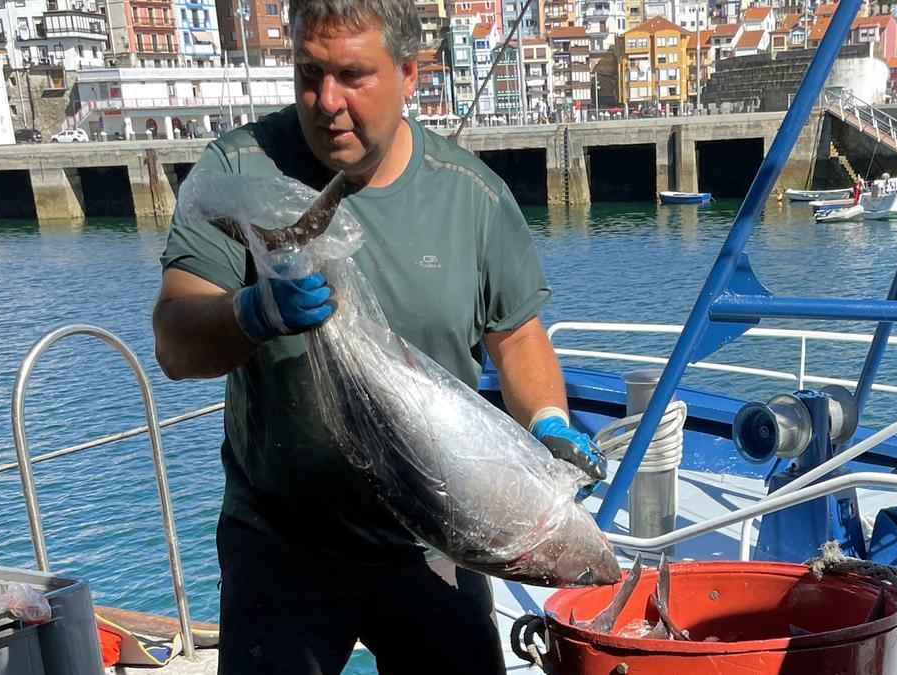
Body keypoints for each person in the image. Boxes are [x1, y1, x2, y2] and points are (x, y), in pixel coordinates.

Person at [151, 1, 607, 673]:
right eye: (309, 73)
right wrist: (252, 313)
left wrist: (546, 419)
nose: (327, 100)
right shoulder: (239, 168)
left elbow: (516, 337)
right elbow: (173, 341)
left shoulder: (471, 196)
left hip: (434, 537)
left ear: (410, 72)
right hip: (282, 541)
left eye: (352, 75)